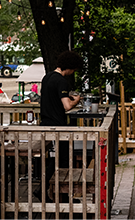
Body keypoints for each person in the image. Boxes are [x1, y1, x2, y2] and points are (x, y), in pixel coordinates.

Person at [37, 50, 83, 201]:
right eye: (73, 69)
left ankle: (45, 189)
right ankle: (60, 196)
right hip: (58, 124)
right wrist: (76, 100)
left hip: (45, 122)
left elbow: (53, 98)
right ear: (69, 67)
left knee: (54, 157)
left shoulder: (47, 77)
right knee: (63, 159)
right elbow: (67, 106)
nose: (72, 72)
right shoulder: (62, 81)